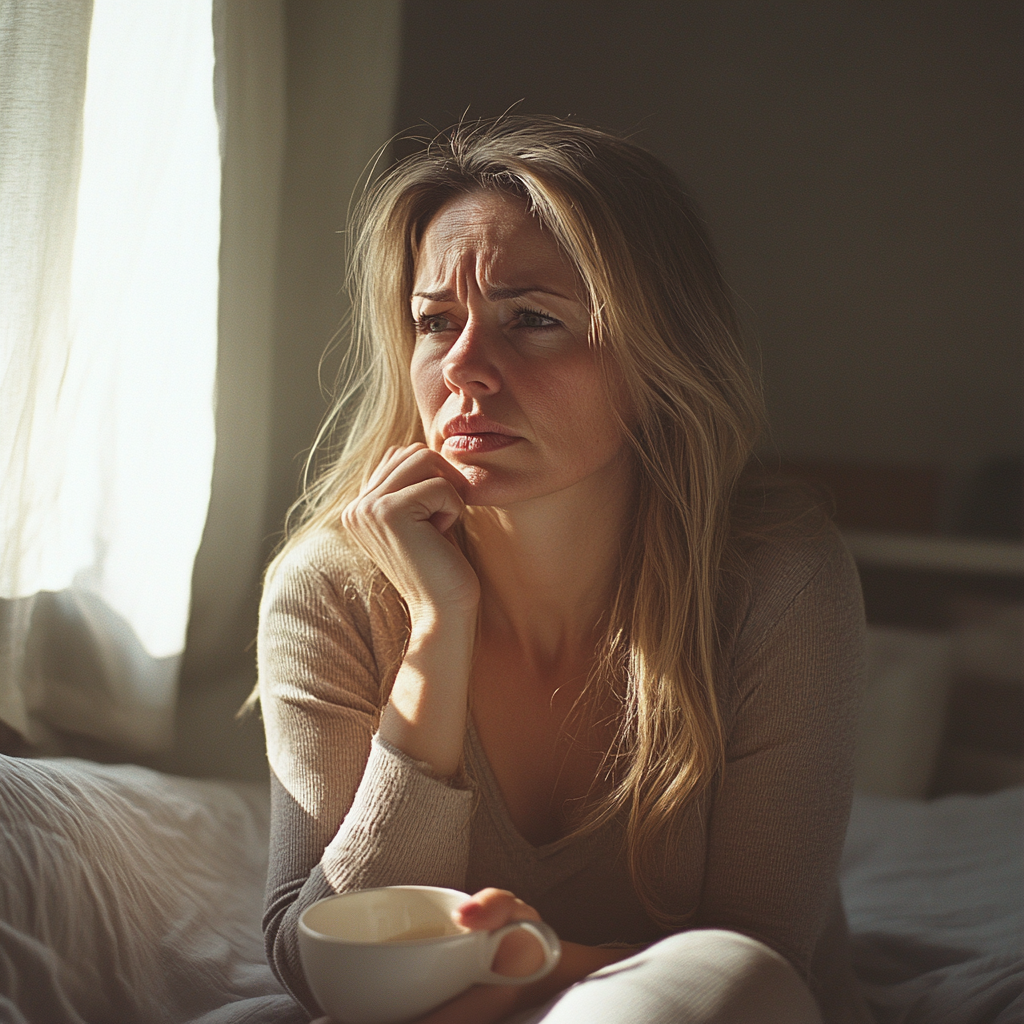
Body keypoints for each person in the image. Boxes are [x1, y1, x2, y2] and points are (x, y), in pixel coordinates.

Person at [256, 115, 871, 1024]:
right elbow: (314, 960)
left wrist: (532, 966)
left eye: (532, 320)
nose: (465, 368)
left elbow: (758, 961)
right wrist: (438, 629)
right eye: (435, 322)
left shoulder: (778, 585)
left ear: (655, 354)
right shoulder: (334, 592)